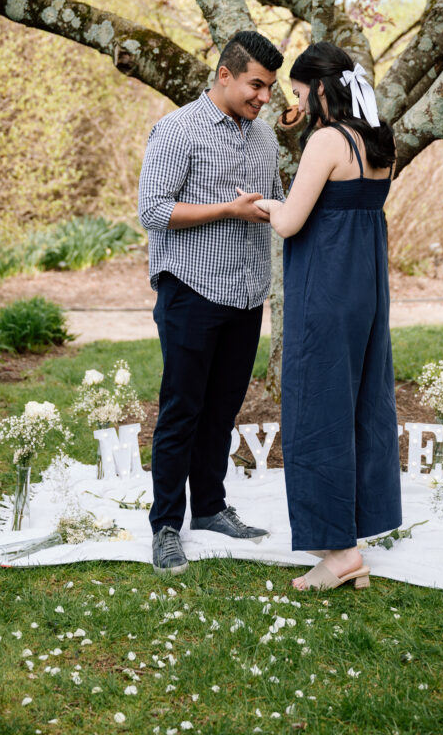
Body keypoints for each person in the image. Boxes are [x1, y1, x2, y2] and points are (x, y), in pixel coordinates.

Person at [255, 41, 402, 591]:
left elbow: (292, 221)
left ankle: (338, 554)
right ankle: (352, 542)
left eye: (297, 90)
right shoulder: (378, 141)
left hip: (325, 285)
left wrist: (262, 204)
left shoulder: (326, 140)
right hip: (365, 287)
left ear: (319, 88)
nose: (295, 101)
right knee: (362, 405)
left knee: (317, 409)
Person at [138, 30, 284, 575]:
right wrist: (227, 210)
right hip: (191, 290)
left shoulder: (265, 137)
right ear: (225, 75)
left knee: (222, 409)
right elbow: (153, 211)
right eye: (256, 85)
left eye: (269, 89)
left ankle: (212, 509)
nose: (264, 98)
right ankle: (166, 527)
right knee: (182, 410)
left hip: (247, 295)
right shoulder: (177, 130)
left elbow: (271, 203)